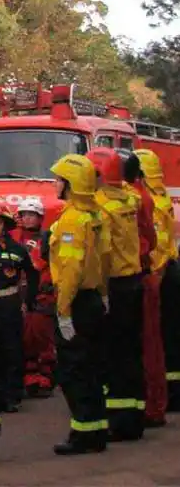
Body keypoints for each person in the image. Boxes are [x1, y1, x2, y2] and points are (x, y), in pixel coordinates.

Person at [48, 153, 109, 456]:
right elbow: (104, 257)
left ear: (70, 184)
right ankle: (96, 430)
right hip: (94, 298)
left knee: (74, 370)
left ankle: (83, 434)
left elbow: (71, 269)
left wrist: (62, 311)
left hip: (76, 301)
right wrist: (104, 292)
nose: (54, 183)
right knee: (93, 367)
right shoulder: (95, 214)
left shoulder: (72, 219)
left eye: (58, 179)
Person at [87, 147, 145, 442]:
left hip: (114, 285)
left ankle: (119, 422)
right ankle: (134, 416)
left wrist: (100, 291)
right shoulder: (129, 199)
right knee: (130, 353)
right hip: (133, 280)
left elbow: (103, 253)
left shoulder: (99, 207)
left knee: (111, 355)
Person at [117, 150, 162, 428]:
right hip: (141, 275)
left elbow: (149, 239)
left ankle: (148, 407)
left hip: (134, 278)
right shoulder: (139, 196)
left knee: (140, 345)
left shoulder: (132, 199)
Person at [135, 148, 180, 413]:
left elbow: (158, 246)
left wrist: (154, 275)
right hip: (169, 272)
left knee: (162, 336)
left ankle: (168, 395)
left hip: (162, 275)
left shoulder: (150, 202)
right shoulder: (160, 198)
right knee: (170, 336)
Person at [0, 200, 38, 413]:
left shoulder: (17, 249)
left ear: (5, 226)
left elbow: (32, 274)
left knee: (11, 349)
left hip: (8, 303)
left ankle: (12, 395)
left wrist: (28, 301)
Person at [10, 198, 56, 399]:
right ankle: (28, 378)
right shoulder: (14, 239)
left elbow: (53, 265)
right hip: (19, 294)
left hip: (41, 296)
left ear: (39, 217)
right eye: (24, 215)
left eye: (32, 215)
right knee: (23, 339)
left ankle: (44, 378)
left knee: (42, 339)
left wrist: (46, 287)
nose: (28, 218)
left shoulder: (47, 239)